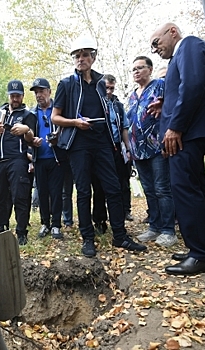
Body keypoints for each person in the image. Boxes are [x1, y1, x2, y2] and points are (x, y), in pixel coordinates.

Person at [51, 35, 146, 257]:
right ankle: (88, 238)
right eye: (77, 56)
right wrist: (75, 122)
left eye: (84, 55)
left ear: (93, 57)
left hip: (103, 143)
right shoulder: (66, 85)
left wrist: (119, 142)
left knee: (113, 188)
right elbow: (55, 118)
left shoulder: (102, 83)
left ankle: (120, 236)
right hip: (78, 145)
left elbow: (109, 112)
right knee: (83, 191)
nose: (80, 59)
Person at [149, 23, 205, 275]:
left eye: (156, 42)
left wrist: (175, 127)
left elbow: (194, 85)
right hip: (192, 129)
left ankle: (201, 254)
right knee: (198, 187)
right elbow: (188, 86)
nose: (155, 49)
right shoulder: (180, 56)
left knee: (184, 188)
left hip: (190, 132)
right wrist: (168, 102)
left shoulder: (190, 45)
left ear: (171, 31)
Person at [127, 56, 178, 247]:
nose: (136, 71)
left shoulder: (160, 85)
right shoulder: (132, 96)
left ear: (150, 69)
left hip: (157, 147)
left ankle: (168, 230)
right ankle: (154, 226)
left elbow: (172, 107)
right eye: (133, 69)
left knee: (162, 188)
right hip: (138, 151)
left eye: (140, 68)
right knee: (149, 189)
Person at [0, 80, 36, 245]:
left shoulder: (28, 115)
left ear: (22, 96)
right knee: (0, 196)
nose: (15, 98)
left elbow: (31, 139)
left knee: (20, 195)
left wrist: (25, 130)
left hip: (17, 160)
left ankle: (21, 232)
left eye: (18, 95)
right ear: (8, 95)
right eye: (12, 95)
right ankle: (2, 227)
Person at [91, 74, 133, 235]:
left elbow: (124, 127)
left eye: (111, 88)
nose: (108, 91)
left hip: (116, 148)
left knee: (120, 184)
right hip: (100, 149)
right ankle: (99, 220)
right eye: (106, 87)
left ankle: (120, 218)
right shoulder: (95, 104)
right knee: (99, 186)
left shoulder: (118, 106)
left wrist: (128, 149)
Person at [30, 78, 65, 240]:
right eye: (36, 92)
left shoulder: (58, 110)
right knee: (42, 192)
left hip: (56, 158)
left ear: (49, 92)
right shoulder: (31, 113)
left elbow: (66, 130)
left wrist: (58, 139)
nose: (39, 95)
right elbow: (26, 136)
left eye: (42, 91)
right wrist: (32, 141)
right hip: (39, 159)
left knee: (56, 192)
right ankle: (45, 223)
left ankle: (56, 224)